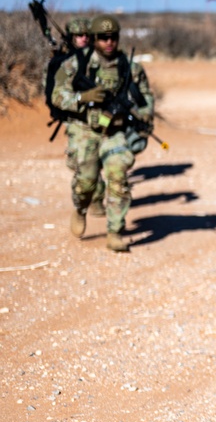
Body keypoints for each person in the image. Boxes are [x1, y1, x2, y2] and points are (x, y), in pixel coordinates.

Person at [51, 14, 154, 252]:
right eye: (103, 38)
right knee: (86, 182)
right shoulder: (76, 65)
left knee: (118, 174)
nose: (109, 42)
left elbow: (146, 97)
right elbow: (57, 95)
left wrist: (140, 114)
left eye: (113, 37)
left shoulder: (130, 68)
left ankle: (114, 231)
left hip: (114, 132)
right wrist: (81, 98)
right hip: (84, 129)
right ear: (94, 39)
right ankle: (80, 208)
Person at [62, 17, 108, 218]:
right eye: (78, 36)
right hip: (77, 120)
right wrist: (81, 98)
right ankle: (82, 203)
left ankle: (97, 198)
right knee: (80, 165)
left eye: (86, 36)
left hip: (102, 119)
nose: (83, 39)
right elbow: (56, 94)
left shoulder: (100, 59)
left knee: (99, 161)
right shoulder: (66, 63)